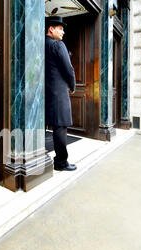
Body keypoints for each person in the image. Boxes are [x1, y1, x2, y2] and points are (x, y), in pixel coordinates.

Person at [45, 16, 77, 171]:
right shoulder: (58, 45)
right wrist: (72, 85)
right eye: (61, 28)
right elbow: (68, 68)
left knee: (42, 126)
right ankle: (61, 162)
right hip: (58, 92)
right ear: (51, 29)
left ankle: (41, 156)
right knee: (60, 127)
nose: (63, 32)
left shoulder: (40, 44)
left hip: (43, 92)